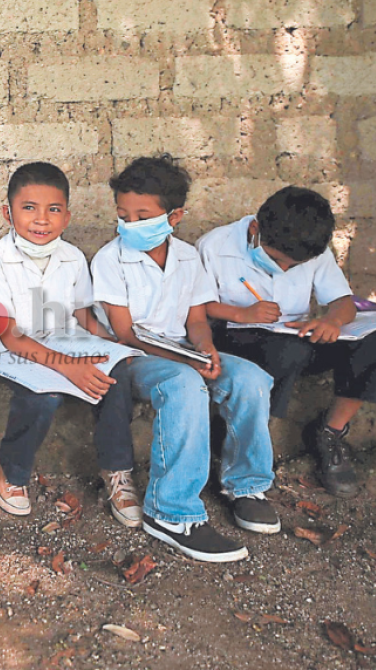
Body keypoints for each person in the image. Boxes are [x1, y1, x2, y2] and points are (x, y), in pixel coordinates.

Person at [90, 155, 276, 562]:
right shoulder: (109, 259)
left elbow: (196, 318)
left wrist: (205, 349)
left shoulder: (189, 257)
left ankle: (246, 485)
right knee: (184, 385)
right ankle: (171, 512)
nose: (130, 224)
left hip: (182, 349)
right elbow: (126, 333)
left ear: (175, 216)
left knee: (251, 379)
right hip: (135, 356)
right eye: (124, 214)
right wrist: (189, 363)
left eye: (143, 215)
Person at [0, 162, 142, 527]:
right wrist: (67, 366)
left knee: (114, 374)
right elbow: (8, 335)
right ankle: (9, 469)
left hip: (66, 343)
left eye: (53, 210)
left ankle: (117, 472)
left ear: (66, 217)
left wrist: (110, 345)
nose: (41, 219)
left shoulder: (74, 257)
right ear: (8, 213)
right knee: (42, 397)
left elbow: (81, 314)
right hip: (12, 352)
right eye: (28, 208)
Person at [197, 186, 376, 498]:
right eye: (277, 259)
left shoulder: (311, 248)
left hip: (292, 336)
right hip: (237, 337)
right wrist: (241, 313)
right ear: (256, 229)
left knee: (372, 343)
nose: (284, 269)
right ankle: (241, 439)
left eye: (294, 266)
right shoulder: (215, 246)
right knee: (288, 352)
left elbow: (344, 303)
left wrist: (331, 321)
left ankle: (329, 433)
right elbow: (196, 305)